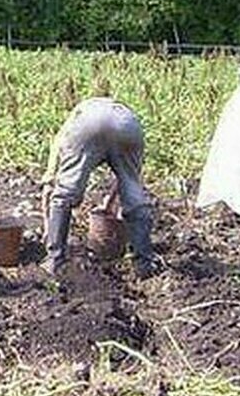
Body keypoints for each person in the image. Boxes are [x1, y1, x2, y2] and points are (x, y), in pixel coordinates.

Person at [40, 97, 157, 276]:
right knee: (134, 195)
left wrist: (50, 180)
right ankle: (144, 264)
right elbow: (126, 179)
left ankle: (54, 259)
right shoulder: (123, 112)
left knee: (64, 194)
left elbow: (57, 154)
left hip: (88, 125)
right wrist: (110, 205)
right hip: (127, 126)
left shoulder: (76, 119)